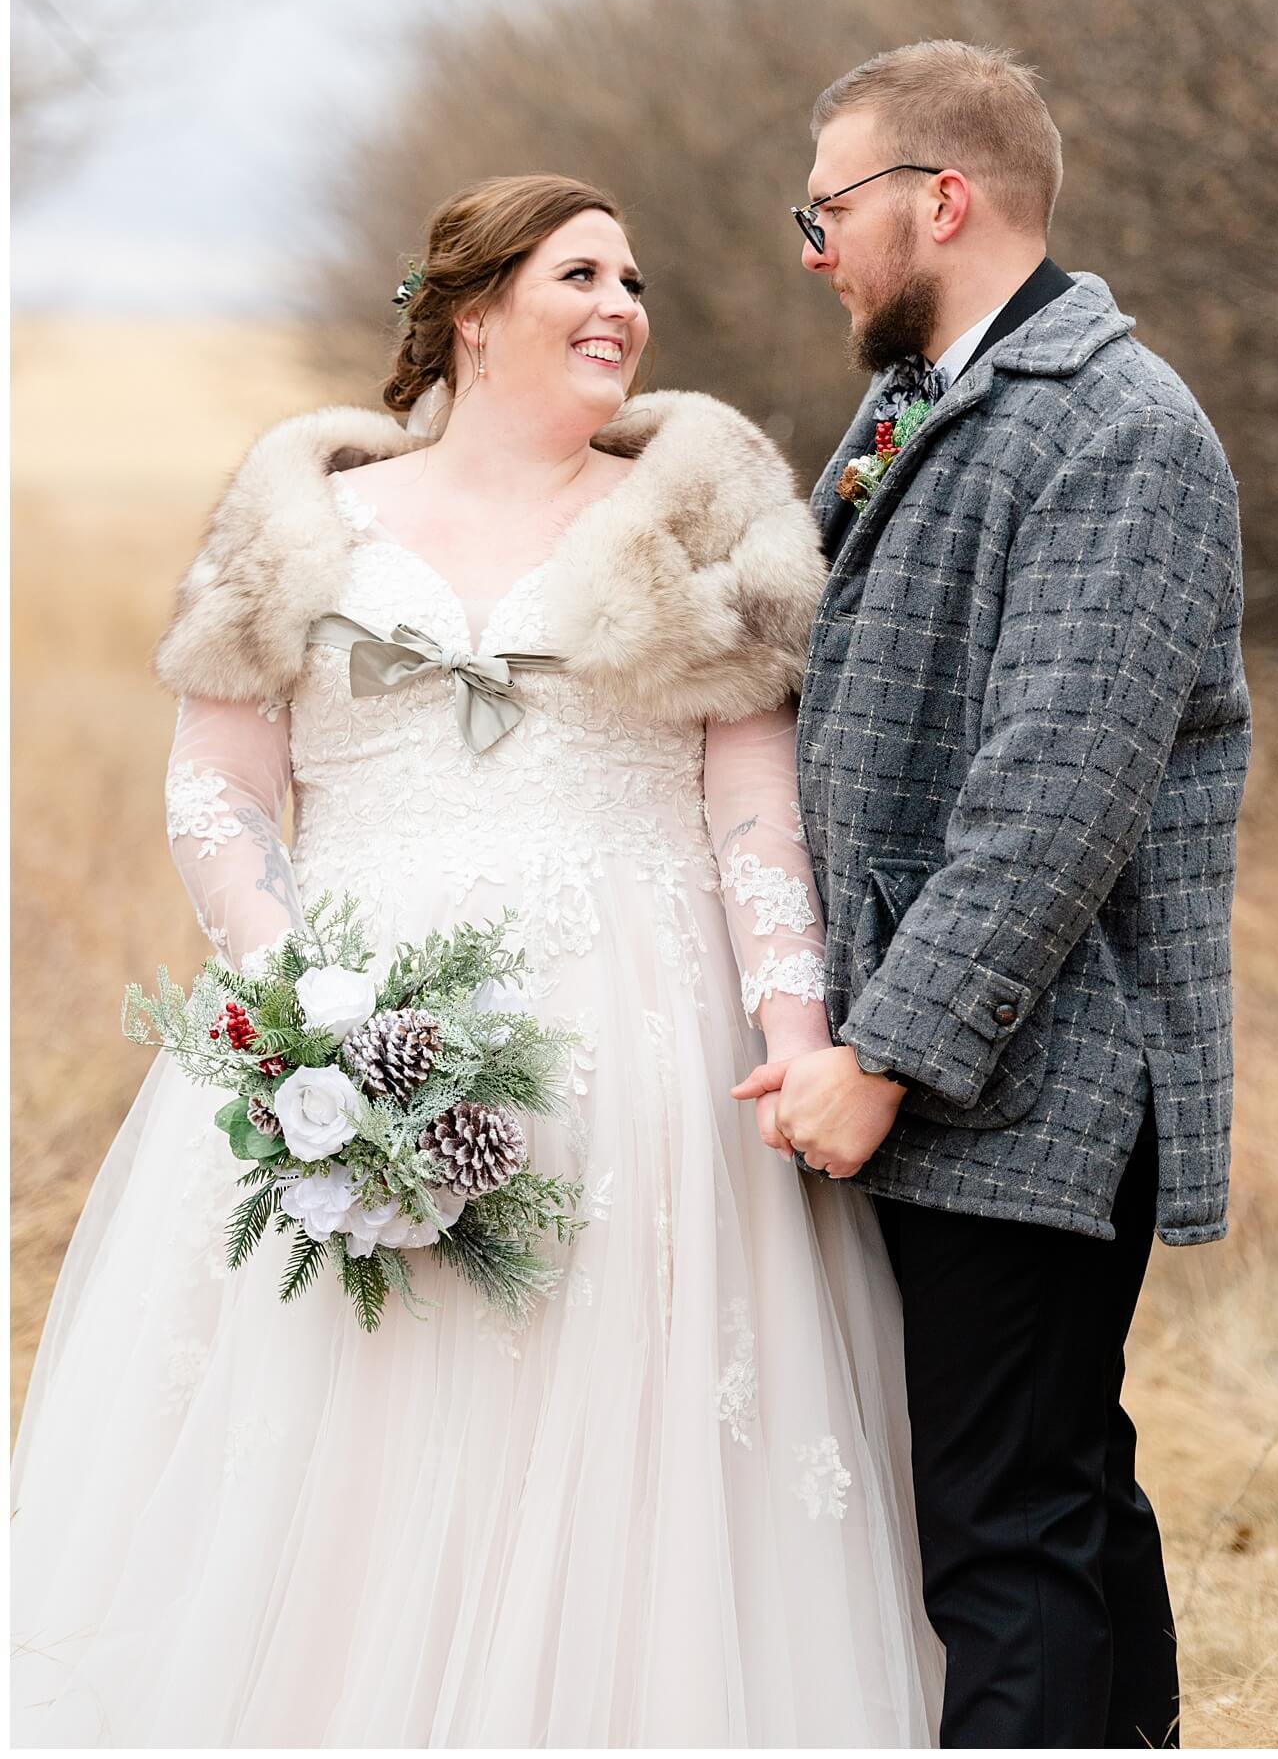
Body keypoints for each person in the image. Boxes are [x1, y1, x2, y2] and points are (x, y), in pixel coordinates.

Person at [11, 175, 943, 1747]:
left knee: (620, 1442)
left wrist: (796, 1025)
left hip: (650, 1047)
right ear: (471, 309)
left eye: (634, 279)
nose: (622, 307)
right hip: (356, 1027)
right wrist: (310, 1015)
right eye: (580, 272)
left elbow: (753, 808)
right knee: (350, 1418)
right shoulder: (297, 520)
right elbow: (219, 788)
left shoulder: (703, 523)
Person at [735, 41, 1251, 1749]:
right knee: (1058, 1497)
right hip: (964, 1066)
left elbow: (1053, 805)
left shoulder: (1120, 431)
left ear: (940, 201)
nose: (817, 252)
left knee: (1005, 1540)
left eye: (833, 211)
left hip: (1038, 1078)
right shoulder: (926, 403)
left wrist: (880, 1058)